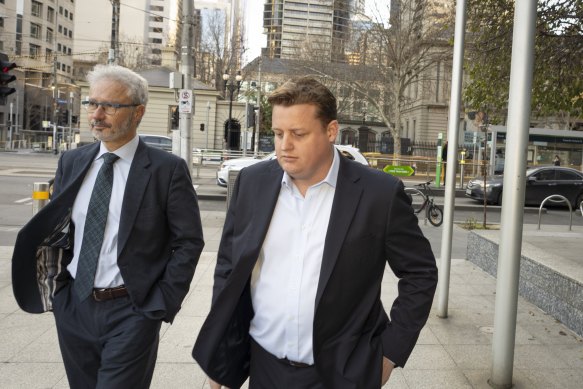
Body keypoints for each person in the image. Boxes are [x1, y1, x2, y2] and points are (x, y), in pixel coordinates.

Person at [192, 77, 437, 388]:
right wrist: (222, 352)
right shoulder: (252, 183)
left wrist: (390, 353)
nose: (284, 146)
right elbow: (229, 267)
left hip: (344, 371)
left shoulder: (380, 194)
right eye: (278, 134)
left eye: (298, 134)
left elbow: (420, 273)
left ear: (331, 131)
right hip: (264, 365)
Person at [12, 64, 205, 388]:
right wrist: (61, 296)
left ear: (138, 112)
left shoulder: (166, 170)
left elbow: (188, 241)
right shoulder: (72, 162)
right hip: (75, 305)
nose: (96, 114)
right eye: (92, 103)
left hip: (133, 310)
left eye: (110, 106)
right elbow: (59, 231)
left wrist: (160, 304)